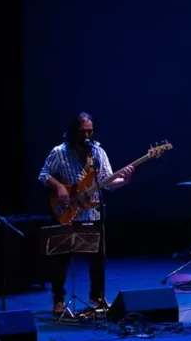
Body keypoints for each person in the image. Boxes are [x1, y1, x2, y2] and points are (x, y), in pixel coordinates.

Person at [39, 112, 133, 315]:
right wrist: (59, 187)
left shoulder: (98, 153)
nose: (87, 135)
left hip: (92, 214)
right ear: (74, 131)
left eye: (90, 130)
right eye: (83, 131)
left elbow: (108, 181)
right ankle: (58, 300)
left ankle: (97, 297)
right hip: (66, 213)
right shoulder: (59, 152)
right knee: (60, 259)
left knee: (97, 259)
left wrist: (124, 180)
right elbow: (43, 175)